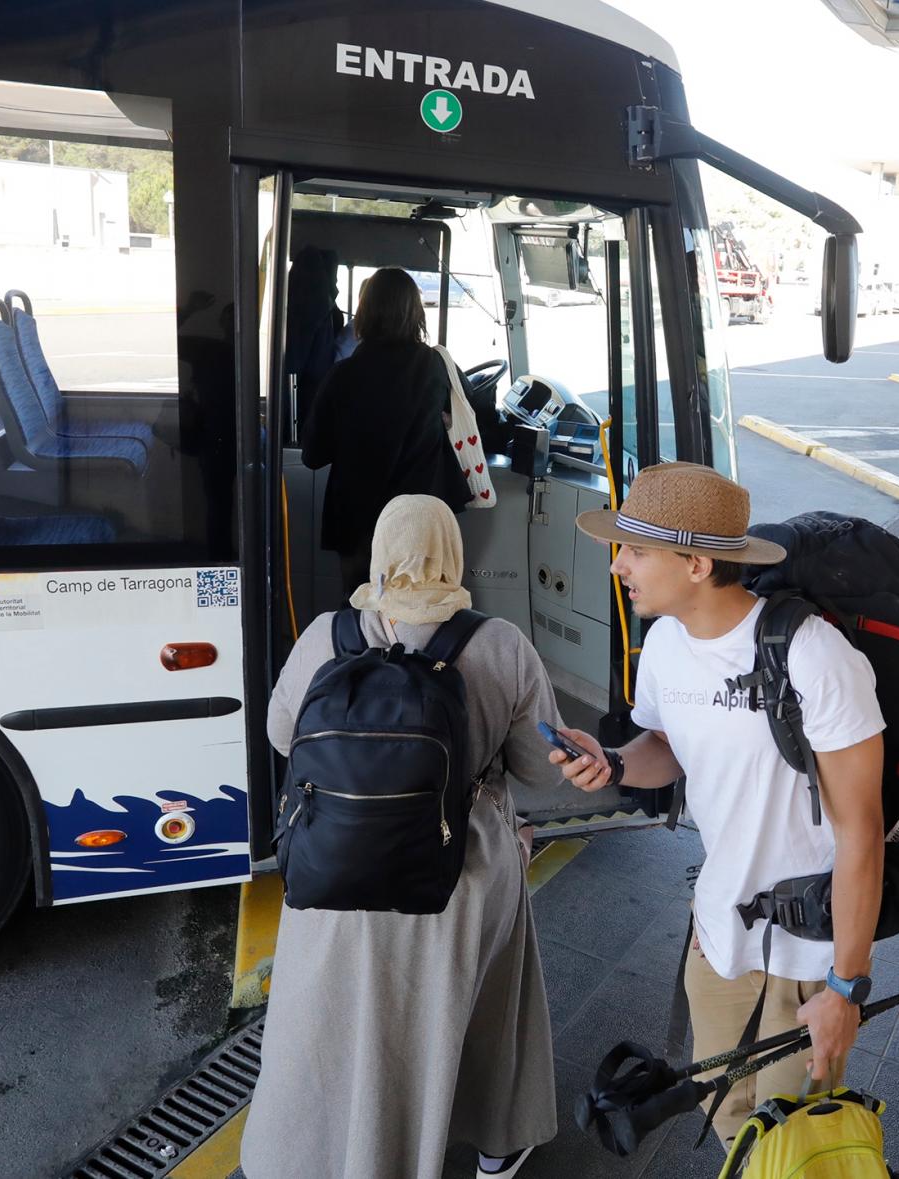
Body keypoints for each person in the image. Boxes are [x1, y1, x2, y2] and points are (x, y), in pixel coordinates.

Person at [552, 462, 886, 1150]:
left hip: (809, 953)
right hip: (718, 936)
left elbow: (863, 835)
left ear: (698, 563)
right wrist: (613, 761)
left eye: (637, 550)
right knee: (732, 1127)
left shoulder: (815, 656)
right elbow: (668, 743)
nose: (619, 566)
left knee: (798, 1144)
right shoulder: (665, 645)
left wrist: (845, 988)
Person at [241, 495, 558, 1179]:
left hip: (333, 867)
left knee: (320, 1021)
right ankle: (497, 1145)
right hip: (455, 877)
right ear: (454, 552)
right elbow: (538, 769)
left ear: (380, 553)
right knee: (487, 1001)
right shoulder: (501, 644)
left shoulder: (327, 635)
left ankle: (313, 1155)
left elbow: (280, 733)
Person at [301, 267, 470, 593]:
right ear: (416, 313)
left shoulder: (342, 376)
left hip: (357, 523)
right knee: (418, 612)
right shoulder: (435, 367)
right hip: (420, 523)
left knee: (361, 612)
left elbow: (312, 455)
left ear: (364, 313)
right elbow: (471, 413)